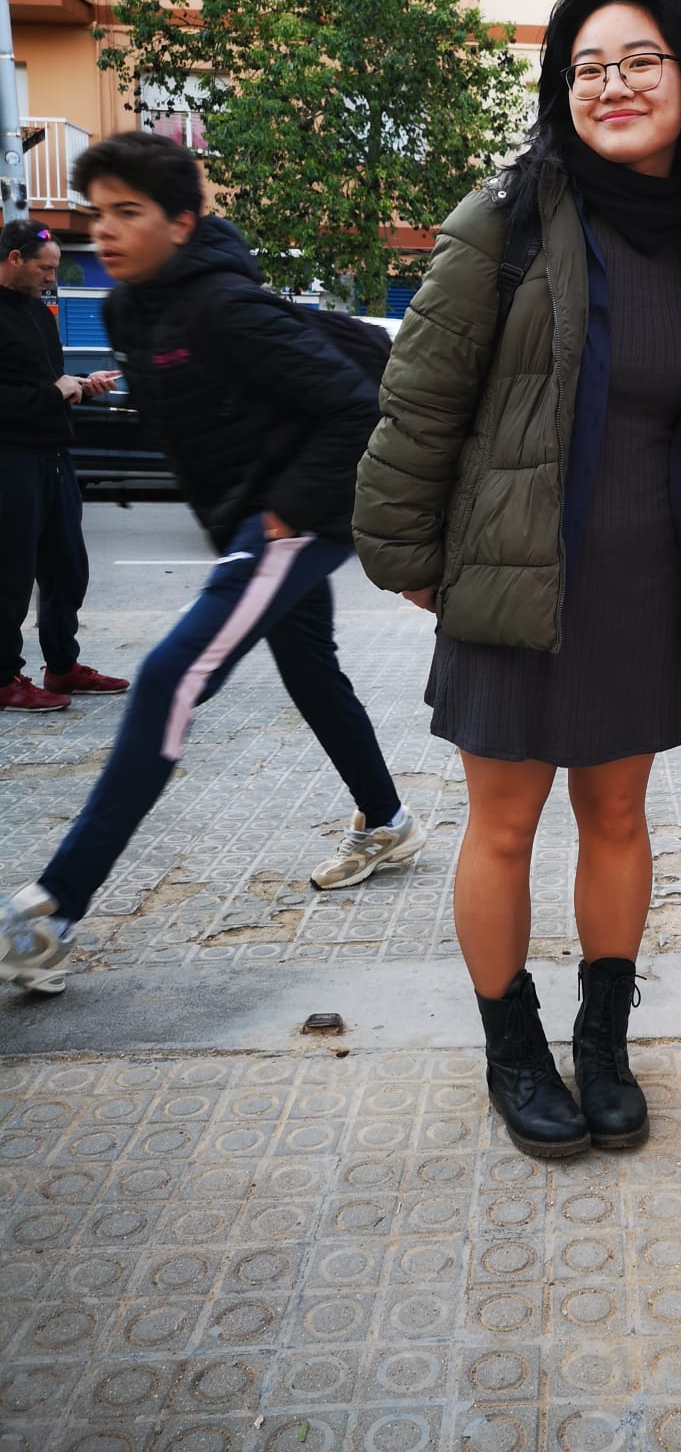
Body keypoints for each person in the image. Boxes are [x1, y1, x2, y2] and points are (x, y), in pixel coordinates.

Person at [354, 0, 681, 1159]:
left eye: (639, 62)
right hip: (516, 570)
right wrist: (406, 550)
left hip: (641, 581)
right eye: (587, 68)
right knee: (505, 826)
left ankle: (605, 1043)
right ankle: (513, 1048)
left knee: (618, 816)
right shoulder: (509, 215)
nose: (611, 85)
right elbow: (420, 393)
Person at [0, 133, 416, 997]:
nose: (104, 231)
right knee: (311, 671)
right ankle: (388, 819)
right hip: (252, 520)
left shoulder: (226, 307)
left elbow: (358, 409)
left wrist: (278, 517)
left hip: (291, 522)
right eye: (97, 213)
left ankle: (54, 911)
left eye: (128, 213)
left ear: (182, 223)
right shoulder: (129, 312)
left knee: (169, 678)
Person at [0, 219, 129, 713]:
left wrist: (79, 386)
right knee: (11, 573)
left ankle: (62, 666)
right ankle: (4, 678)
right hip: (12, 460)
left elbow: (43, 383)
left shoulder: (37, 311)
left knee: (67, 569)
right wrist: (53, 392)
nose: (52, 278)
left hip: (54, 457)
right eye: (45, 268)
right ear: (15, 259)